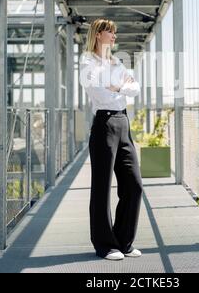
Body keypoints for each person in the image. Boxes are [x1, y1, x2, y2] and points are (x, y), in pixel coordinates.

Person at [79, 18, 143, 261]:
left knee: (134, 185)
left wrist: (117, 88)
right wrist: (119, 87)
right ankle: (105, 245)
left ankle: (124, 241)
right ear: (98, 35)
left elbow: (135, 88)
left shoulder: (117, 61)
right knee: (102, 187)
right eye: (110, 32)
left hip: (123, 123)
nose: (115, 37)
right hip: (104, 124)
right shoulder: (87, 61)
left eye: (115, 33)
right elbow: (96, 90)